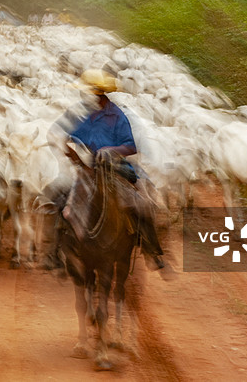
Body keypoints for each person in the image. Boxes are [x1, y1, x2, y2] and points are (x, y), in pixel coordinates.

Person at [65, 69, 169, 272]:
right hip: (92, 169)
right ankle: (67, 248)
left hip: (119, 168)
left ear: (98, 94)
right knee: (67, 207)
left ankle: (151, 250)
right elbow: (72, 138)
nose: (85, 96)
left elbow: (131, 147)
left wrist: (110, 150)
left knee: (144, 204)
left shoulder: (118, 116)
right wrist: (74, 156)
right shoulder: (88, 117)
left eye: (88, 92)